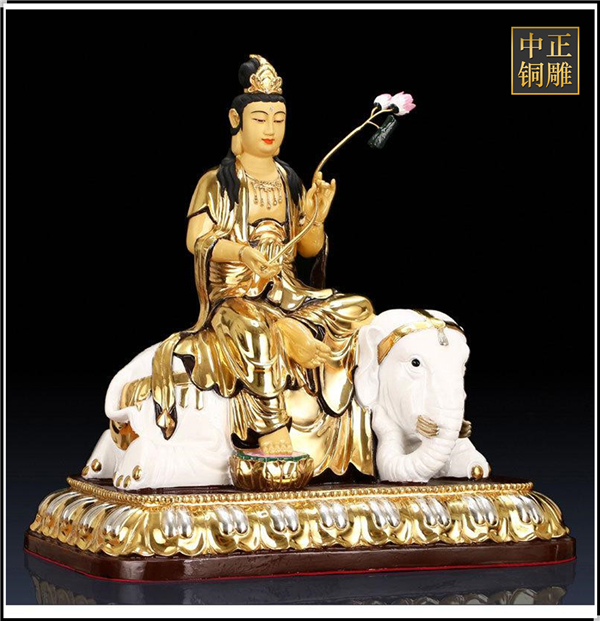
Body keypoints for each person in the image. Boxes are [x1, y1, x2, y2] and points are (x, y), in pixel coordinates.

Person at [148, 55, 375, 477]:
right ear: (236, 120)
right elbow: (196, 239)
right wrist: (242, 253)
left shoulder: (289, 179)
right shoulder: (216, 181)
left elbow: (307, 250)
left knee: (358, 310)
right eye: (260, 119)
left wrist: (316, 218)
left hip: (286, 293)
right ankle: (272, 428)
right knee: (254, 331)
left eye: (279, 119)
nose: (270, 129)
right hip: (235, 298)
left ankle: (346, 418)